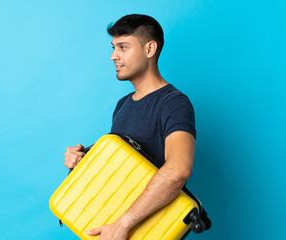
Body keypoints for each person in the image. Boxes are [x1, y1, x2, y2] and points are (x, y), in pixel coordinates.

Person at [64, 14, 196, 240]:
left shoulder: (174, 103)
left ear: (150, 49)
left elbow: (177, 171)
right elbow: (120, 173)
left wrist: (123, 224)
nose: (113, 56)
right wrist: (81, 163)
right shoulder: (122, 105)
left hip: (149, 232)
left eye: (123, 47)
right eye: (114, 47)